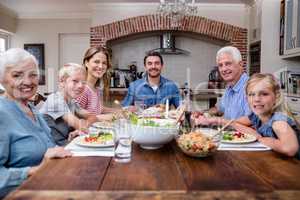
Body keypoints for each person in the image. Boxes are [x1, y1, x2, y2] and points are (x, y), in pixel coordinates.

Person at [0, 48, 72, 198]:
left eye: (33, 75)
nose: (27, 81)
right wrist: (37, 170)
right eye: (17, 75)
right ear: (1, 78)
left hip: (51, 186)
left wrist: (68, 143)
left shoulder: (32, 109)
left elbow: (47, 150)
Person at [223, 73, 300, 158]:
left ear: (276, 96)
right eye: (251, 94)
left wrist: (261, 139)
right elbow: (234, 123)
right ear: (246, 98)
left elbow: (290, 148)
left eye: (264, 94)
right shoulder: (257, 116)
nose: (257, 99)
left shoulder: (278, 121)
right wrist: (253, 133)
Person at [40, 63, 98, 146]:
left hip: (66, 145)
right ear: (62, 82)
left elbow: (92, 117)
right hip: (53, 150)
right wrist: (81, 128)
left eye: (84, 82)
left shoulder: (72, 102)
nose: (80, 86)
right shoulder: (55, 101)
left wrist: (79, 129)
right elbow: (81, 126)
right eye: (75, 81)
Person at [192, 46, 251, 125]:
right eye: (220, 65)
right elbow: (219, 109)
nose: (223, 69)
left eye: (228, 64)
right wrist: (202, 113)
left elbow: (251, 119)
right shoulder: (229, 88)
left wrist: (217, 120)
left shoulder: (251, 86)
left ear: (240, 65)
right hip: (229, 134)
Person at [76, 47, 119, 120]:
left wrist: (121, 111)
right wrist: (113, 117)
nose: (101, 66)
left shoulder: (97, 89)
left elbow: (99, 109)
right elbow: (75, 117)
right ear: (86, 63)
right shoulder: (82, 89)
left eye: (104, 63)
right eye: (96, 62)